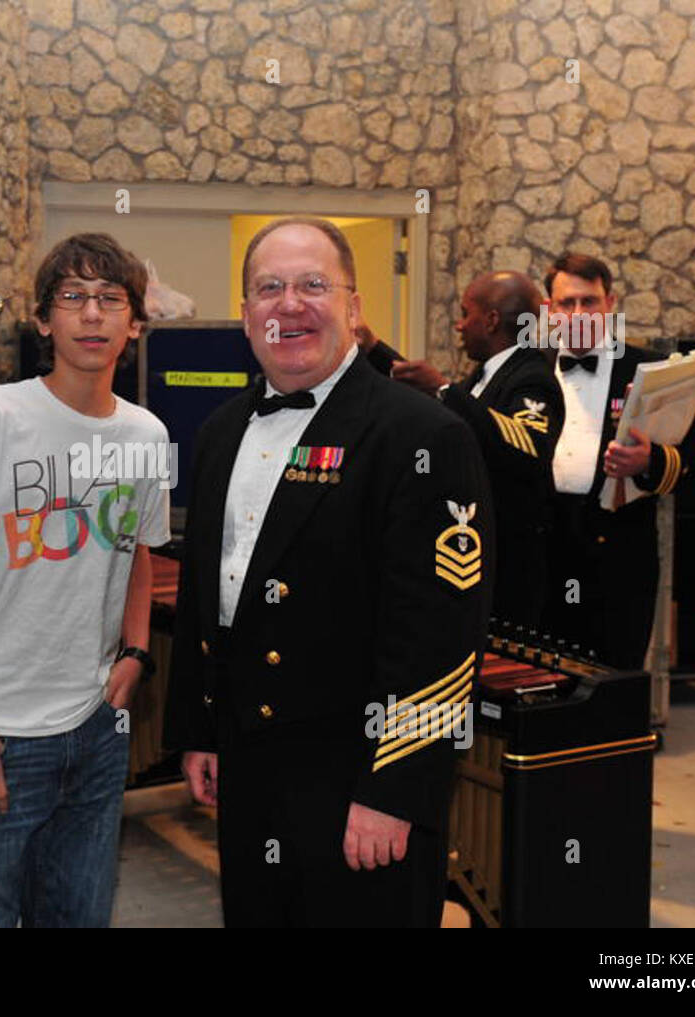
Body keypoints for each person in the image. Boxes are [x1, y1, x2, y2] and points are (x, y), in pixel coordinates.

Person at [163, 217, 492, 927]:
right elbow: (206, 592)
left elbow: (440, 634)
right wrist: (199, 727)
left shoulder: (424, 434)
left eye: (314, 284)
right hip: (250, 769)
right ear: (246, 314)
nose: (290, 304)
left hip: (361, 779)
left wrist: (396, 789)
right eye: (269, 288)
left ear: (354, 307)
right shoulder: (221, 430)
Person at [0, 234, 171, 927]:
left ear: (134, 323)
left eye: (110, 299)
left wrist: (134, 652)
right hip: (0, 729)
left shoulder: (148, 435)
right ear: (43, 320)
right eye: (72, 297)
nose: (92, 315)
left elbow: (136, 551)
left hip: (97, 728)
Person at [541, 252, 695, 670]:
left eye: (589, 302)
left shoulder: (652, 370)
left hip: (619, 556)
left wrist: (650, 460)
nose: (578, 313)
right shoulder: (531, 371)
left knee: (616, 680)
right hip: (546, 551)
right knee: (543, 680)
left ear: (610, 304)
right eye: (567, 303)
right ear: (549, 310)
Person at [391, 271, 565, 630]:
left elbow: (527, 447)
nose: (459, 325)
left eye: (465, 313)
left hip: (511, 566)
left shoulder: (532, 375)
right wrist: (374, 349)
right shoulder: (482, 377)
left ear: (491, 320)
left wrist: (443, 389)